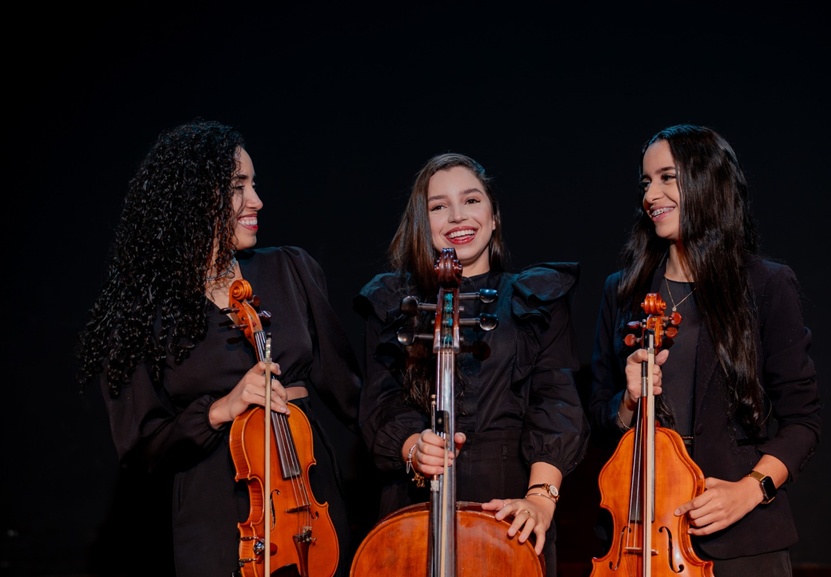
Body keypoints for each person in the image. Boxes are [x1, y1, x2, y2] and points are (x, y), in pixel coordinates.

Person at [75, 119, 364, 577]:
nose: (256, 201)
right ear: (192, 199)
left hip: (307, 496)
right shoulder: (142, 311)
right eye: (238, 187)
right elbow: (141, 448)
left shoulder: (291, 269)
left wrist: (409, 444)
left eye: (254, 183)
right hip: (214, 504)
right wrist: (218, 410)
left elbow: (351, 395)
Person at [588, 123, 822, 576]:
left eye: (667, 177)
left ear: (708, 182)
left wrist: (751, 490)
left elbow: (804, 421)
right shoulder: (623, 291)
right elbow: (598, 417)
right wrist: (628, 403)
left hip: (742, 536)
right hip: (639, 532)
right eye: (645, 182)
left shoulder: (767, 285)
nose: (651, 195)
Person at [352, 152, 590, 577]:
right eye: (438, 206)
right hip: (413, 502)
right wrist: (414, 448)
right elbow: (378, 404)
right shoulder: (393, 301)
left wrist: (539, 498)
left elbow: (556, 403)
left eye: (472, 200)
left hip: (510, 502)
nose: (457, 216)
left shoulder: (536, 297)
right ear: (422, 225)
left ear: (494, 216)